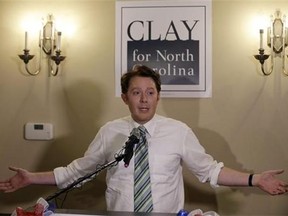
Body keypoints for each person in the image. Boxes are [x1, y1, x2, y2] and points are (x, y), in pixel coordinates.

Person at [0, 65, 287, 214]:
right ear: (125, 97)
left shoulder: (178, 131)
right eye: (136, 92)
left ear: (158, 96)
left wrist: (255, 179)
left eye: (150, 92)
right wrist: (31, 178)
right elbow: (79, 171)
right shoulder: (110, 131)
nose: (144, 99)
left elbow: (210, 171)